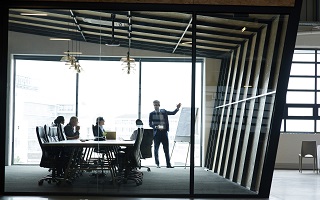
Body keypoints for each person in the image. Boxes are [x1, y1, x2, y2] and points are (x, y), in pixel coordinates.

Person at [149, 100, 181, 168]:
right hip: (156, 134)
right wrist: (156, 127)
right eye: (154, 105)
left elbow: (173, 113)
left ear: (159, 105)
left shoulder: (163, 111)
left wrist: (177, 108)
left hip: (164, 133)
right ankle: (157, 164)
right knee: (156, 150)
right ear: (153, 106)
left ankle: (168, 164)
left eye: (157, 105)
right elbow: (150, 124)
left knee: (166, 150)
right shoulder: (151, 114)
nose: (156, 106)